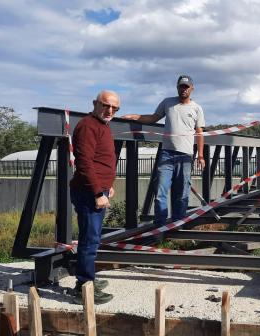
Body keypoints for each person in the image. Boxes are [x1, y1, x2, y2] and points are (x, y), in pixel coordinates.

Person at [122, 75, 205, 227]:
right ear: (177, 87)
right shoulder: (168, 102)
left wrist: (201, 155)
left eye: (186, 87)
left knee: (182, 193)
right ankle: (160, 225)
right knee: (160, 191)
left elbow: (199, 133)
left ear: (192, 88)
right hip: (167, 153)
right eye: (181, 86)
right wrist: (135, 116)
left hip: (185, 156)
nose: (183, 89)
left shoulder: (196, 108)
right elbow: (153, 118)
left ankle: (178, 223)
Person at [69, 90, 120, 305]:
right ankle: (84, 287)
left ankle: (86, 280)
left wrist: (108, 186)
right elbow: (85, 162)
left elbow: (102, 160)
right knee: (90, 240)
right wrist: (98, 192)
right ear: (95, 104)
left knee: (91, 238)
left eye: (114, 108)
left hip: (98, 191)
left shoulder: (102, 126)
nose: (110, 111)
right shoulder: (88, 126)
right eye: (105, 105)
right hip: (89, 194)